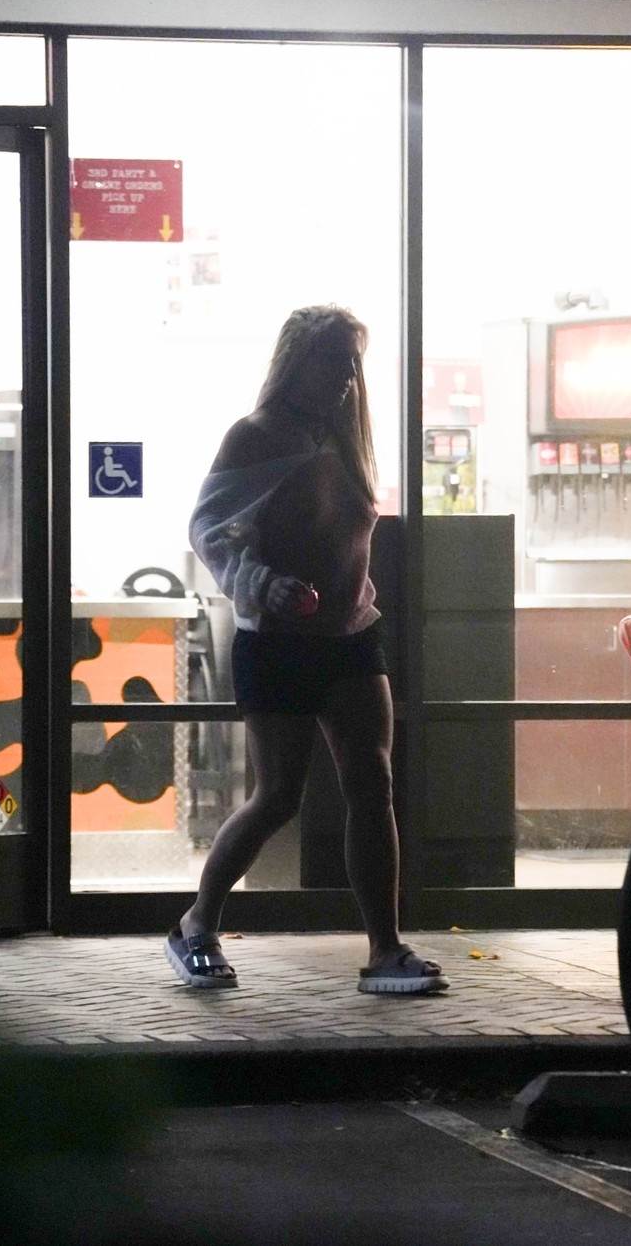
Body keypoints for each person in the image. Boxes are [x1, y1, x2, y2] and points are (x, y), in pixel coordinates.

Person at [164, 305, 450, 995]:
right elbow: (209, 529)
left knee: (372, 784)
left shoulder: (346, 439)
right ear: (297, 361)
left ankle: (385, 951)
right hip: (278, 643)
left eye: (353, 364)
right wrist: (265, 583)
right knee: (277, 797)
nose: (347, 377)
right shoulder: (256, 436)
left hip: (351, 634)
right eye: (333, 361)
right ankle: (196, 925)